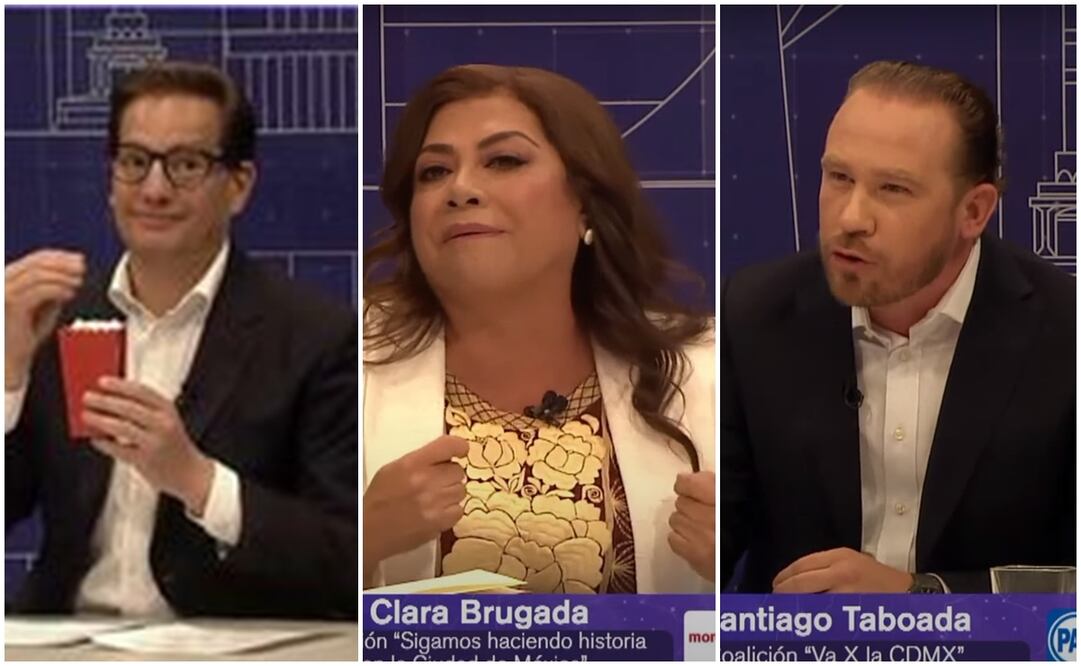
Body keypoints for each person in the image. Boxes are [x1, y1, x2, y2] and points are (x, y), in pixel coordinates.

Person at [5, 61, 358, 618]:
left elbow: (347, 556)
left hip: (229, 645)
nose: (154, 189)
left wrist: (198, 481)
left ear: (239, 185)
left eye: (186, 164)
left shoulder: (316, 336)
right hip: (66, 641)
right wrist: (8, 374)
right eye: (134, 162)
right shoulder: (54, 318)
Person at [720, 60, 1075, 594]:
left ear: (974, 212)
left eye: (893, 189)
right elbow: (719, 547)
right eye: (838, 178)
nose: (850, 218)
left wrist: (924, 597)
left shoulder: (1064, 335)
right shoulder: (754, 318)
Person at [363, 64, 715, 594]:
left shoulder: (705, 371)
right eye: (433, 172)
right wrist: (361, 541)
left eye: (503, 160)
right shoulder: (341, 366)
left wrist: (733, 574)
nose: (460, 188)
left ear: (586, 203)